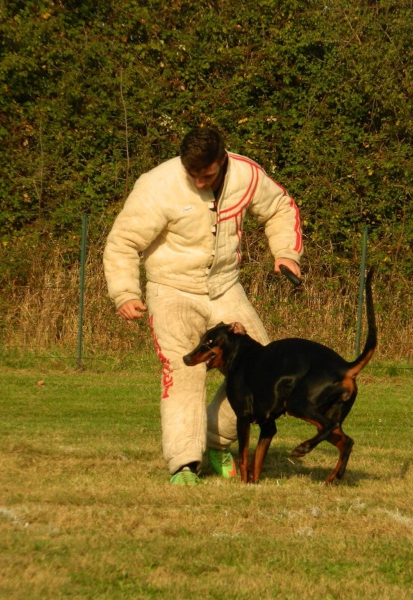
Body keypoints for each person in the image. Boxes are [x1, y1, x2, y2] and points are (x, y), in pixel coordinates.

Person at [103, 125, 303, 485]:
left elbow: (280, 208)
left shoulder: (247, 175)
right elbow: (122, 242)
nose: (198, 183)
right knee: (184, 374)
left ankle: (216, 441)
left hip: (225, 287)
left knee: (265, 370)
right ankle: (184, 463)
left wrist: (286, 253)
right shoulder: (157, 185)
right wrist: (126, 293)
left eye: (206, 175)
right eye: (191, 175)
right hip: (171, 290)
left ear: (222, 160)